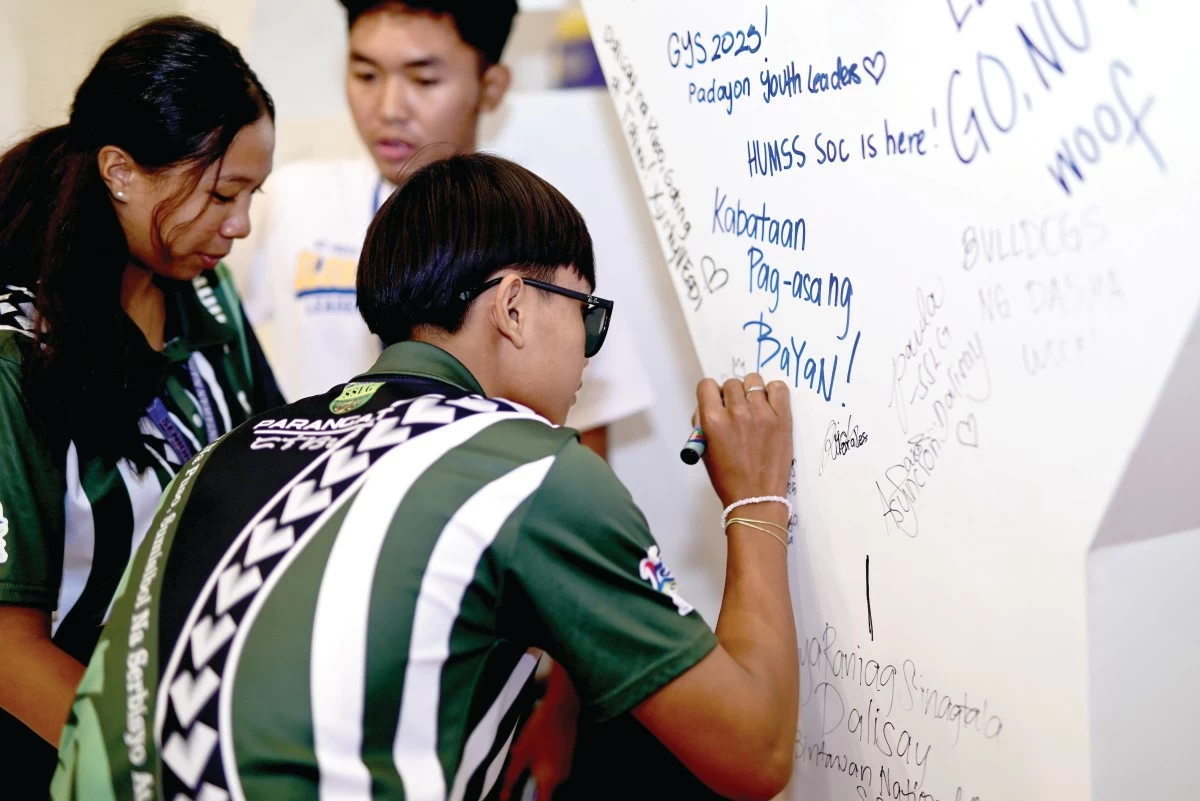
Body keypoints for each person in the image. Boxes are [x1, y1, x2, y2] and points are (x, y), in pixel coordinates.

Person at [51, 154, 798, 801]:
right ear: (512, 306)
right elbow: (752, 751)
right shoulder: (526, 463)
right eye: (587, 316)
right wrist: (757, 497)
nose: (588, 354)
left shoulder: (230, 450)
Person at [0, 16, 282, 795]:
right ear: (120, 170)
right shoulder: (17, 354)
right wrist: (160, 767)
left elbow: (272, 458)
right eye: (224, 193)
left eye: (254, 195)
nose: (241, 225)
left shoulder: (205, 295)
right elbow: (6, 647)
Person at [234, 0, 653, 459]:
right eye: (366, 76)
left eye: (425, 80)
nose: (390, 109)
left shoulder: (547, 239)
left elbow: (583, 444)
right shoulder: (288, 199)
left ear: (491, 86)